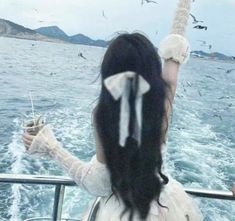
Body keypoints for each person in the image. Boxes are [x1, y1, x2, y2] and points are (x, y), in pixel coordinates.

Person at [22, 32, 202, 221]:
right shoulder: (162, 103)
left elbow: (99, 183)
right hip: (166, 205)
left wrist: (51, 147)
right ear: (152, 70)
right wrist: (178, 29)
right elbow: (172, 71)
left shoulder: (103, 115)